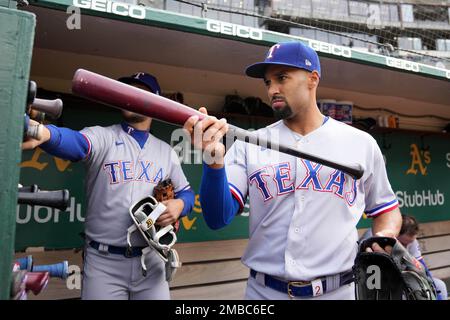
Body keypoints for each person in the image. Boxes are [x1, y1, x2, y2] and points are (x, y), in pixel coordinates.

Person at [183, 41, 402, 300]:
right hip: (264, 292)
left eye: (282, 78)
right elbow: (217, 218)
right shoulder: (248, 145)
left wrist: (384, 237)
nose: (272, 89)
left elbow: (387, 210)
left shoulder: (360, 143)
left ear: (313, 79)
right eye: (267, 82)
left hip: (338, 291)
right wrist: (213, 158)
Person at [22, 72, 195, 300]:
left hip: (151, 261)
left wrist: (180, 205)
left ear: (155, 102)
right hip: (104, 263)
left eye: (138, 92)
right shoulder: (103, 136)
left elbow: (187, 193)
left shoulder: (166, 152)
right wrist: (44, 133)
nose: (130, 97)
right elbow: (76, 143)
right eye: (126, 92)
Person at [361, 214, 448, 300]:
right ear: (394, 234)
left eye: (409, 243)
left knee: (439, 285)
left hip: (401, 277)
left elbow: (421, 267)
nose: (407, 247)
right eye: (403, 243)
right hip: (376, 280)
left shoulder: (411, 241)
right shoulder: (375, 237)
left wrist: (434, 292)